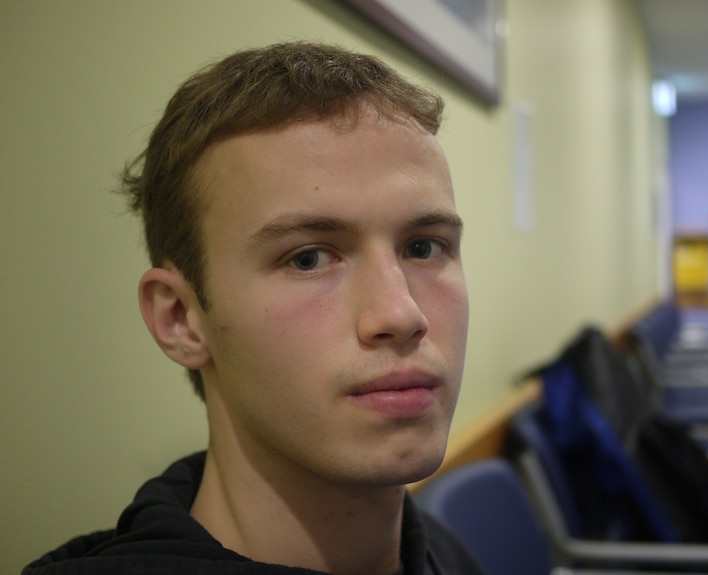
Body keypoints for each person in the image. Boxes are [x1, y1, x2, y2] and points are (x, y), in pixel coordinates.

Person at [24, 41, 481, 575]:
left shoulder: (446, 552)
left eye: (424, 246)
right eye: (308, 258)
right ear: (181, 318)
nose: (402, 315)